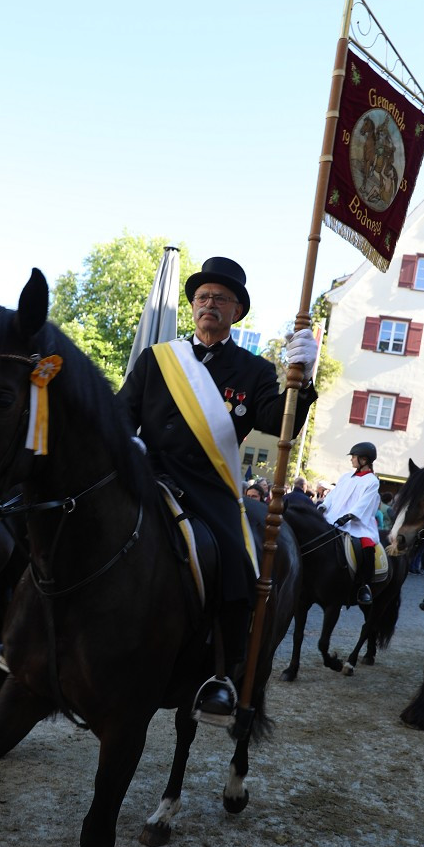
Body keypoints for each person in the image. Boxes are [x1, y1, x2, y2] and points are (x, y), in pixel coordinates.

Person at [119, 255, 318, 726]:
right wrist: (126, 446)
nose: (210, 304)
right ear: (193, 307)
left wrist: (302, 380)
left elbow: (275, 421)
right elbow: (123, 412)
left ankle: (220, 678)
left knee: (238, 564)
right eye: (203, 297)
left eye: (221, 299)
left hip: (210, 486)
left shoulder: (252, 370)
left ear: (236, 312)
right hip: (149, 474)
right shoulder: (158, 359)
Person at [317, 441, 380, 606]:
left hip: (358, 524)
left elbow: (365, 503)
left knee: (367, 546)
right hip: (334, 518)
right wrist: (323, 506)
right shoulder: (346, 477)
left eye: (354, 457)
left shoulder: (372, 481)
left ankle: (364, 586)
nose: (351, 459)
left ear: (364, 460)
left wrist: (350, 516)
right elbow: (333, 495)